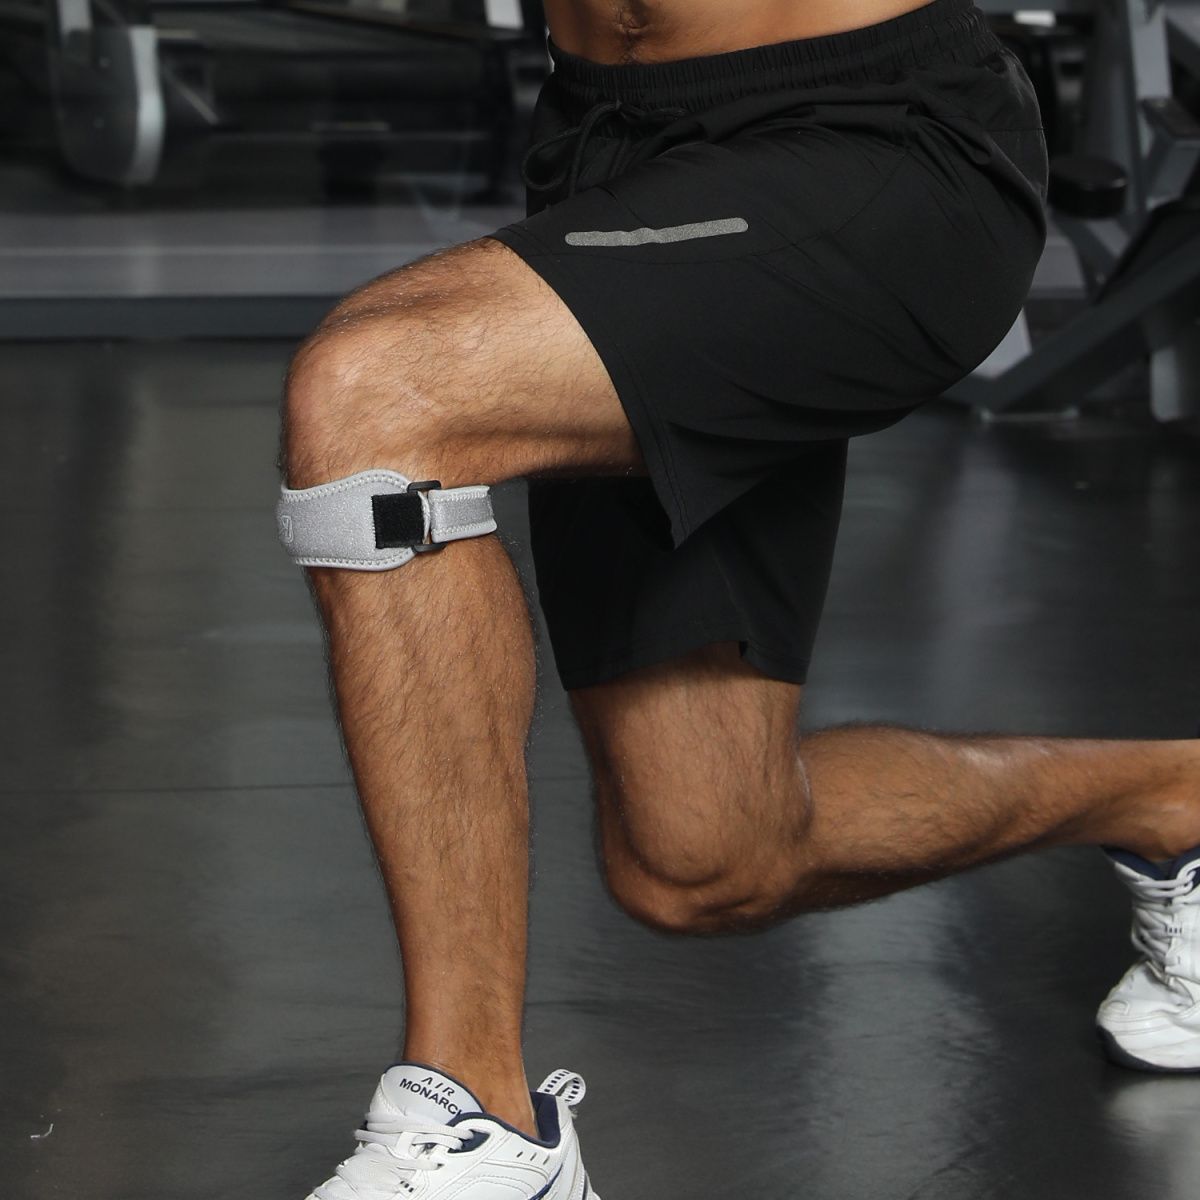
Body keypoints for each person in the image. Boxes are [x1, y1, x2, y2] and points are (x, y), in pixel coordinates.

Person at [276, 0, 1200, 1195]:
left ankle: (482, 1123)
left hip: (870, 145)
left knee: (378, 393)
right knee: (703, 855)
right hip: (616, 144)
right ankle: (1176, 800)